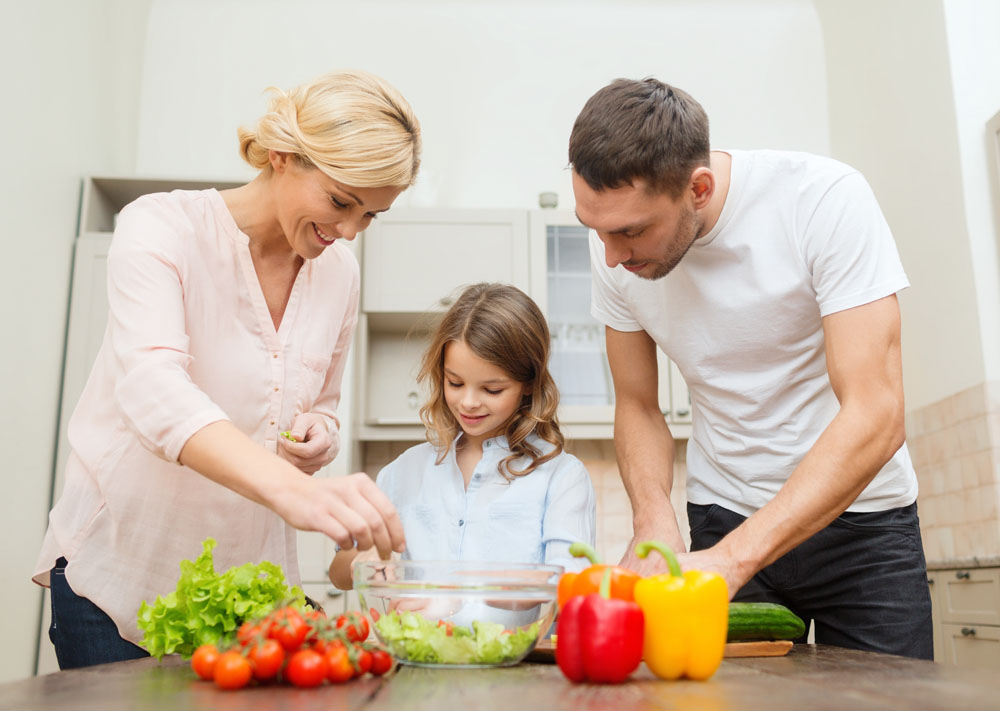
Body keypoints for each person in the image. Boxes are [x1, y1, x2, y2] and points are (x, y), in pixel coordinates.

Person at [33, 70, 420, 669]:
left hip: (247, 586)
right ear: (282, 155)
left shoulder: (338, 273)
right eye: (342, 201)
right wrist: (293, 489)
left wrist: (319, 433)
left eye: (371, 215)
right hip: (123, 572)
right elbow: (155, 391)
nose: (348, 231)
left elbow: (323, 404)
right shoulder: (162, 227)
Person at [569, 77, 931, 658]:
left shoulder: (823, 200)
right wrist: (653, 518)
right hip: (722, 512)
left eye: (630, 231)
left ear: (699, 189)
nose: (611, 256)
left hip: (862, 524)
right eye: (597, 230)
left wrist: (736, 559)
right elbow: (637, 403)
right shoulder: (613, 248)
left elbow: (878, 412)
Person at [329, 283, 596, 594]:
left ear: (528, 383)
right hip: (422, 644)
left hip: (524, 644)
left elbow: (573, 586)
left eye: (492, 390)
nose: (468, 402)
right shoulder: (406, 470)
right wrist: (364, 560)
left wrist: (474, 587)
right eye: (455, 383)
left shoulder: (561, 476)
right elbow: (338, 573)